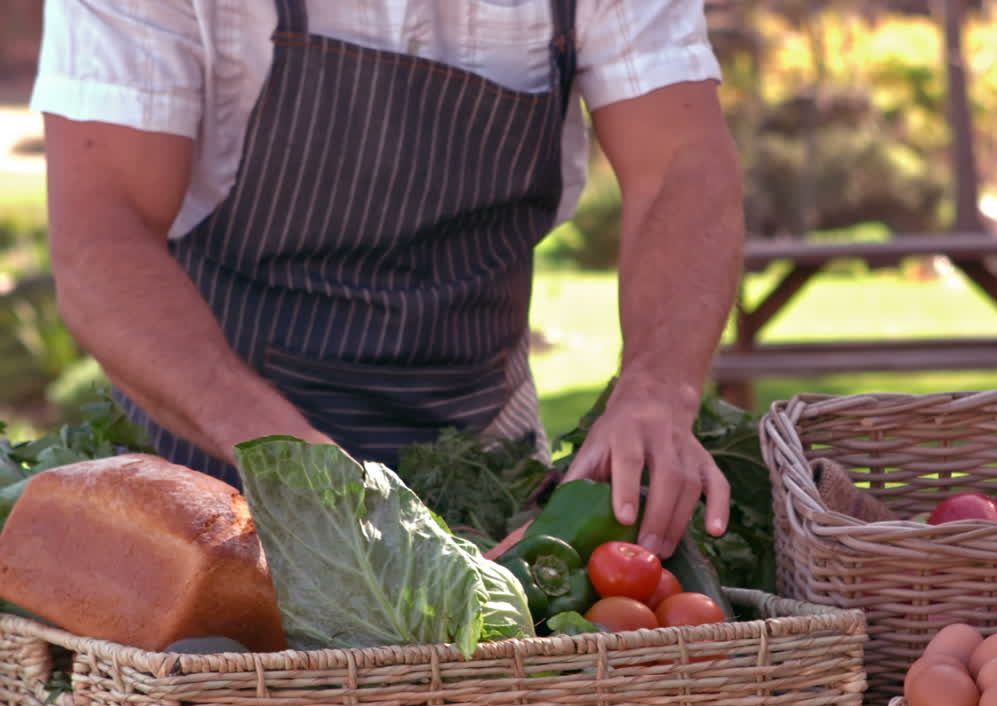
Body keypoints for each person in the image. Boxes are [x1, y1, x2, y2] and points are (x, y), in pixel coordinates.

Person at [34, 0, 744, 559]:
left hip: (490, 474)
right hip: (213, 484)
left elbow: (680, 165)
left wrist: (657, 387)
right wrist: (292, 461)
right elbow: (105, 238)